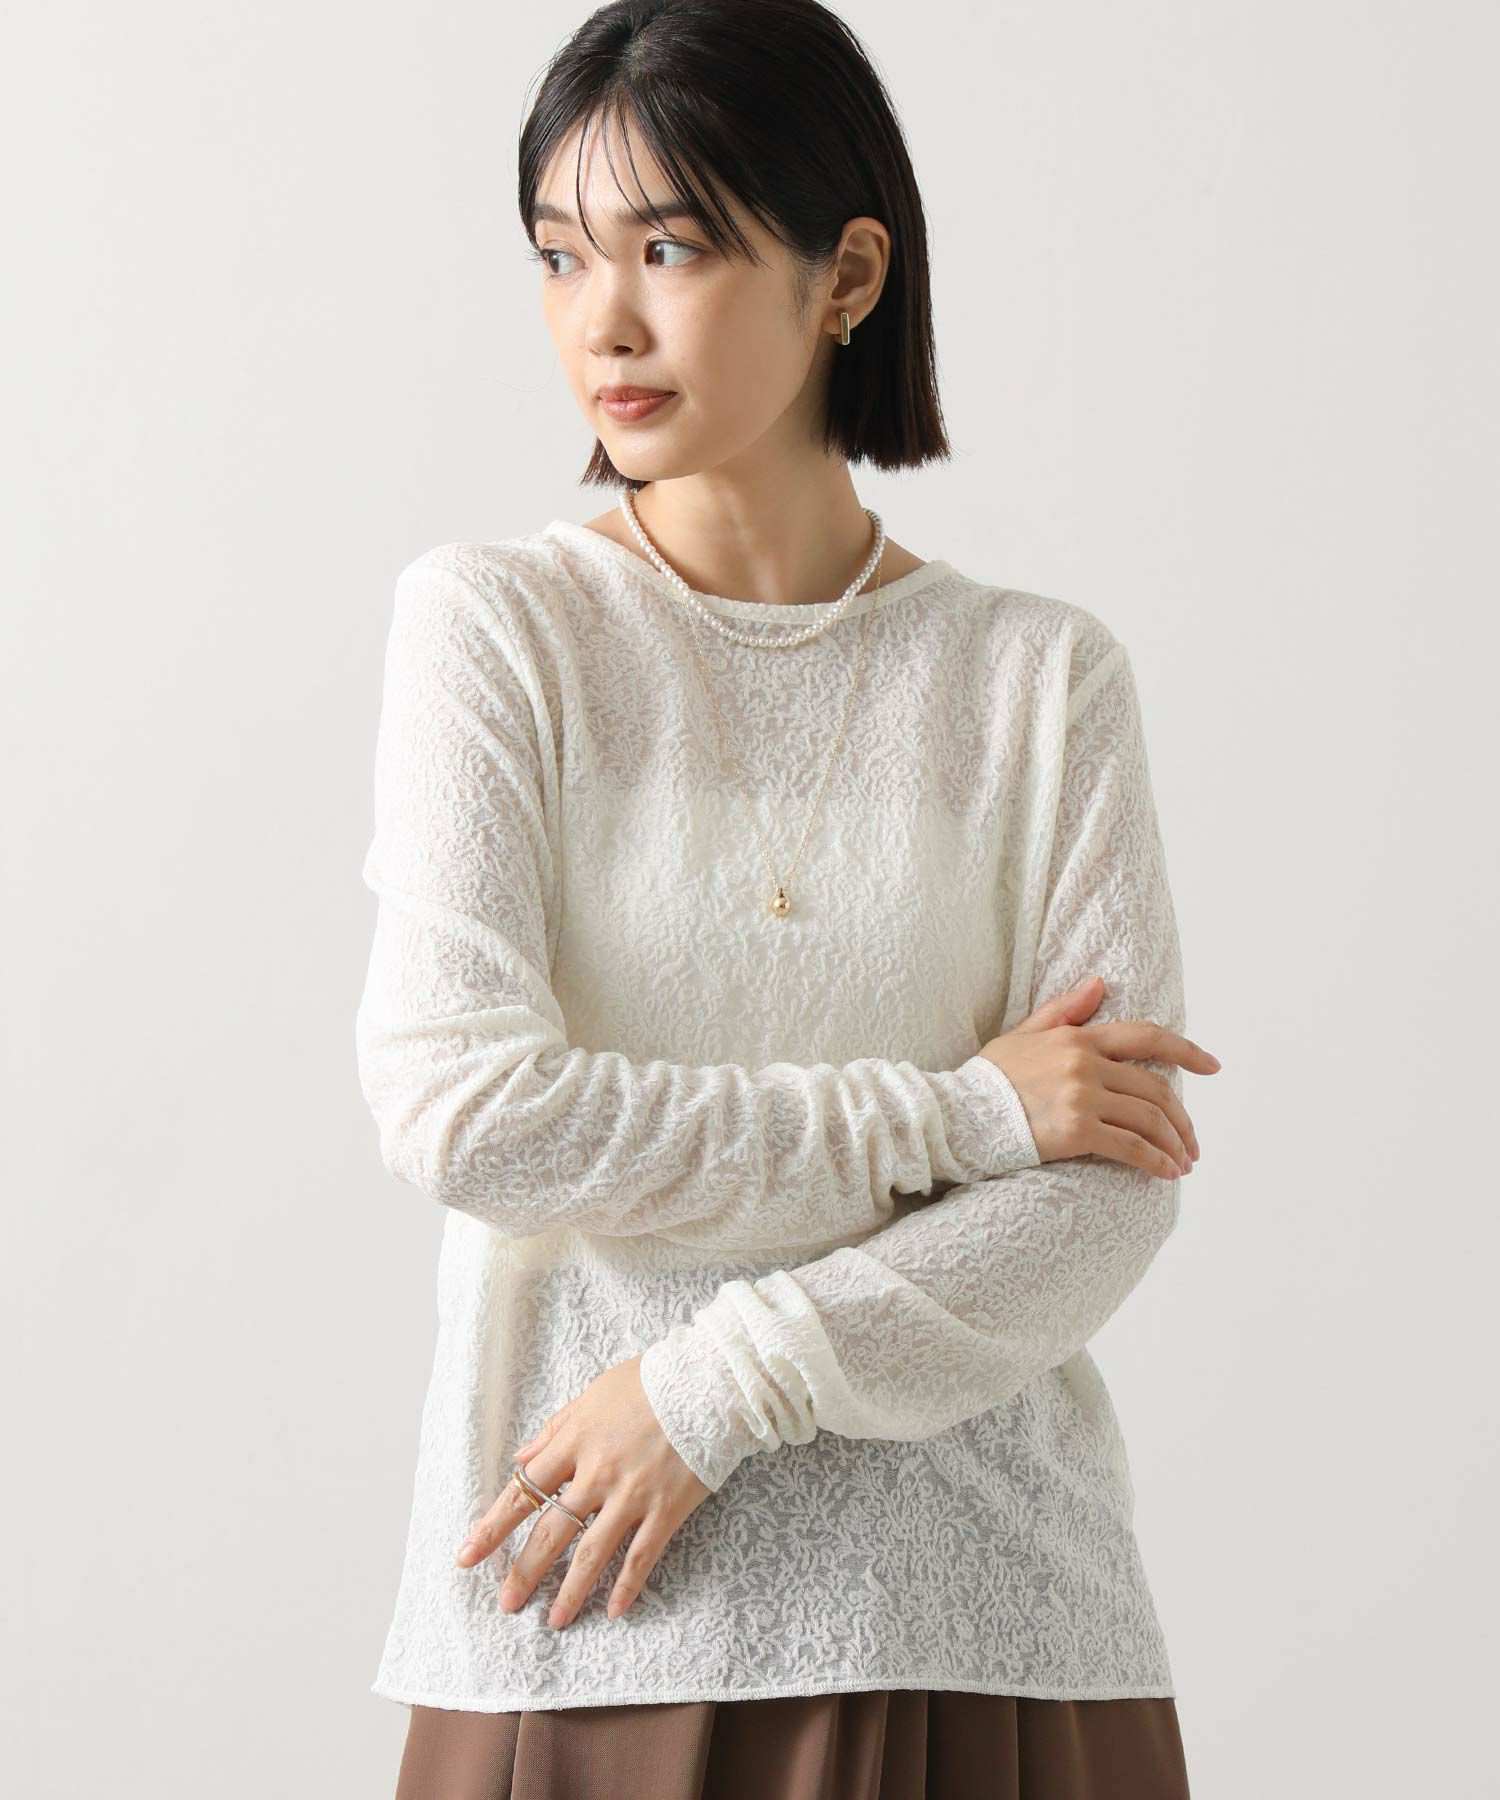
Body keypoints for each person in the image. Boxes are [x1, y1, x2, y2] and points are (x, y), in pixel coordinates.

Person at [355, 1, 1218, 1793]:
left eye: (671, 248)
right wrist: (962, 1115)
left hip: (988, 1615)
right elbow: (467, 1108)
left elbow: (1105, 1191)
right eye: (561, 254)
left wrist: (710, 1389)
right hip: (593, 1612)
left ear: (850, 277)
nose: (603, 320)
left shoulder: (1040, 682)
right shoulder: (500, 632)